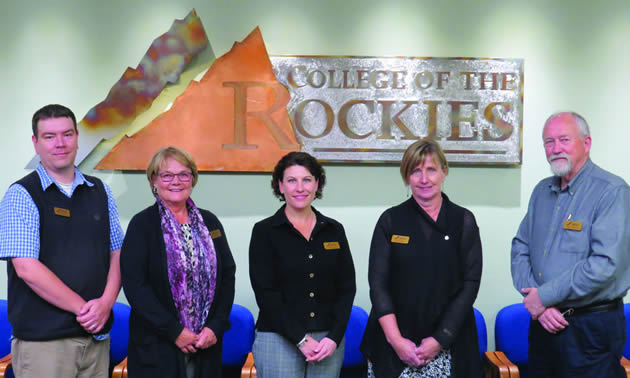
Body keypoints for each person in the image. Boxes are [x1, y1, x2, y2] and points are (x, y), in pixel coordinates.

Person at [0, 104, 124, 377]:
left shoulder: (100, 191)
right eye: (49, 136)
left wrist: (105, 304)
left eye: (67, 134)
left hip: (96, 340)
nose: (60, 143)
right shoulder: (21, 195)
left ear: (77, 138)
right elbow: (26, 269)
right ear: (35, 143)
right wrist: (86, 310)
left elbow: (117, 254)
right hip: (45, 344)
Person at [511, 112, 630, 377]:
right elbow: (520, 247)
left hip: (590, 328)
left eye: (564, 140)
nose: (556, 149)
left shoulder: (612, 191)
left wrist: (543, 297)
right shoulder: (541, 191)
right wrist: (540, 306)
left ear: (586, 143)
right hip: (543, 324)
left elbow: (604, 265)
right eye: (548, 142)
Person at [361, 139, 483, 378]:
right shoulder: (390, 220)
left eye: (431, 170)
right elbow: (378, 285)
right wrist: (396, 340)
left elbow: (471, 284)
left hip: (449, 338)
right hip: (394, 342)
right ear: (407, 177)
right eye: (416, 171)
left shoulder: (463, 221)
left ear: (444, 172)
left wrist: (440, 338)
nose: (424, 179)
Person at [120, 146, 236, 378]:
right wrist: (175, 331)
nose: (176, 181)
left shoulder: (209, 222)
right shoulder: (142, 225)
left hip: (206, 344)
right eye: (167, 175)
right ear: (154, 180)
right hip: (159, 344)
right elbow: (135, 286)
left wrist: (215, 326)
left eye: (184, 174)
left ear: (192, 179)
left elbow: (227, 275)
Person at [249, 151, 356, 378]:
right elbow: (266, 293)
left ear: (317, 184)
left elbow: (347, 288)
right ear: (280, 186)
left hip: (326, 343)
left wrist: (334, 338)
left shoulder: (334, 230)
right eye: (291, 180)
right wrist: (300, 338)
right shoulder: (264, 232)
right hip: (278, 338)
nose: (300, 188)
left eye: (307, 180)